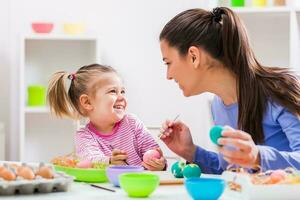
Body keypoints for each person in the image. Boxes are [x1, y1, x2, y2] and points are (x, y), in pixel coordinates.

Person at [159, 7, 300, 174]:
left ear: (194, 56)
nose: (168, 75)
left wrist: (258, 157)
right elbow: (232, 171)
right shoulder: (217, 105)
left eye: (168, 63)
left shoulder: (278, 90)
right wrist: (190, 151)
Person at [47, 64, 166, 171]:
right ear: (87, 102)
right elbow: (90, 160)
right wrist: (109, 161)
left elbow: (152, 151)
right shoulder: (84, 136)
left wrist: (159, 163)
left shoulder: (132, 123)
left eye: (123, 91)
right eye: (113, 91)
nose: (121, 97)